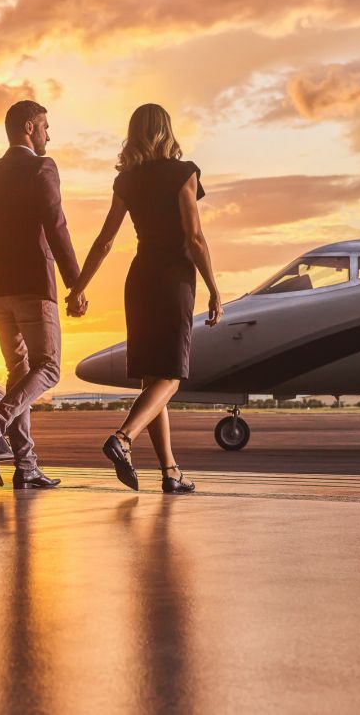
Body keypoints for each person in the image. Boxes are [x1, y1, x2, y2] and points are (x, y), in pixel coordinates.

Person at [66, 103, 222, 494]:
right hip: (173, 280)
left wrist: (79, 287)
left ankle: (170, 472)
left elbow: (105, 241)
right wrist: (215, 288)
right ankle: (122, 438)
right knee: (171, 377)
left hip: (140, 280)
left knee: (153, 379)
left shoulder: (127, 180)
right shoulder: (183, 173)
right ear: (166, 131)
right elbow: (194, 238)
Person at [0, 100, 85, 489]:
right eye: (46, 126)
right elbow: (56, 225)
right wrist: (75, 284)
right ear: (29, 127)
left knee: (19, 373)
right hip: (32, 286)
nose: (49, 134)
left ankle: (26, 465)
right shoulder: (41, 167)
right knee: (47, 368)